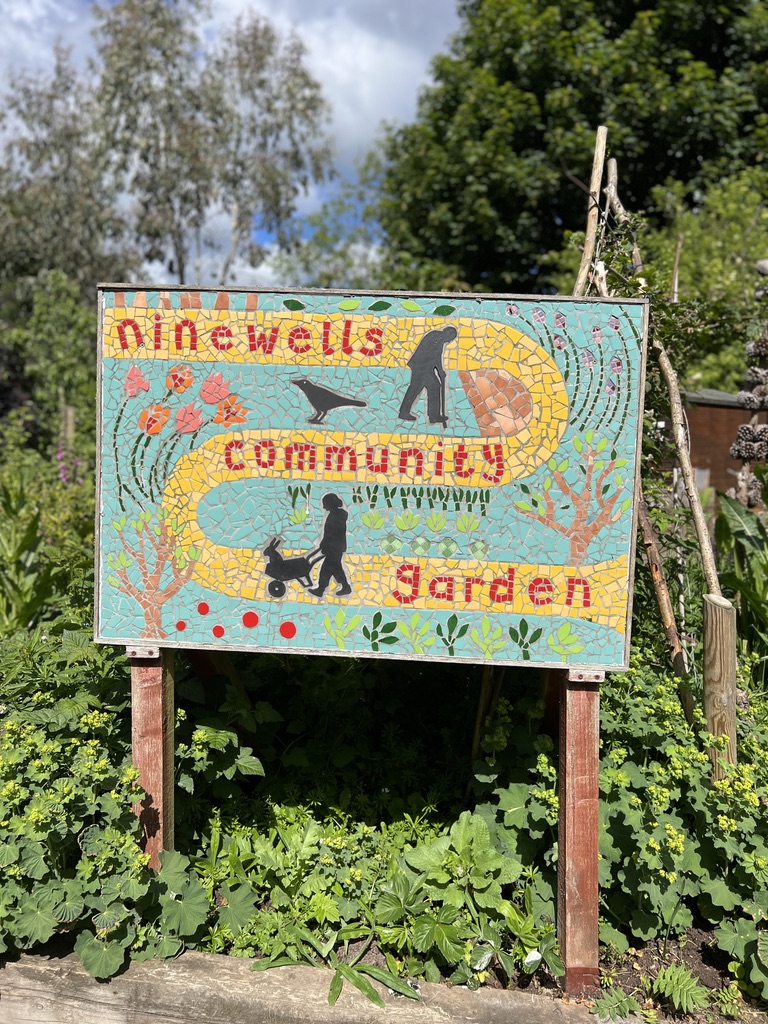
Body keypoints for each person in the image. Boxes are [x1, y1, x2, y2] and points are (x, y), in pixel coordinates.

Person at [398, 325, 457, 426]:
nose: (450, 340)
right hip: (421, 367)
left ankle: (434, 416)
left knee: (434, 386)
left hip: (425, 367)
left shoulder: (438, 338)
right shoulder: (437, 338)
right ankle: (404, 412)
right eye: (451, 338)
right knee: (415, 388)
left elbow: (436, 356)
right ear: (448, 334)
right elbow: (434, 356)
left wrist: (440, 371)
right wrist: (440, 371)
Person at [308, 493, 351, 597]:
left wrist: (325, 543)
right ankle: (344, 587)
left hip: (334, 547)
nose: (324, 506)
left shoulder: (336, 516)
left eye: (325, 504)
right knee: (335, 569)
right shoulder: (336, 514)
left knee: (327, 569)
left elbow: (332, 532)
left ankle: (322, 589)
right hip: (336, 547)